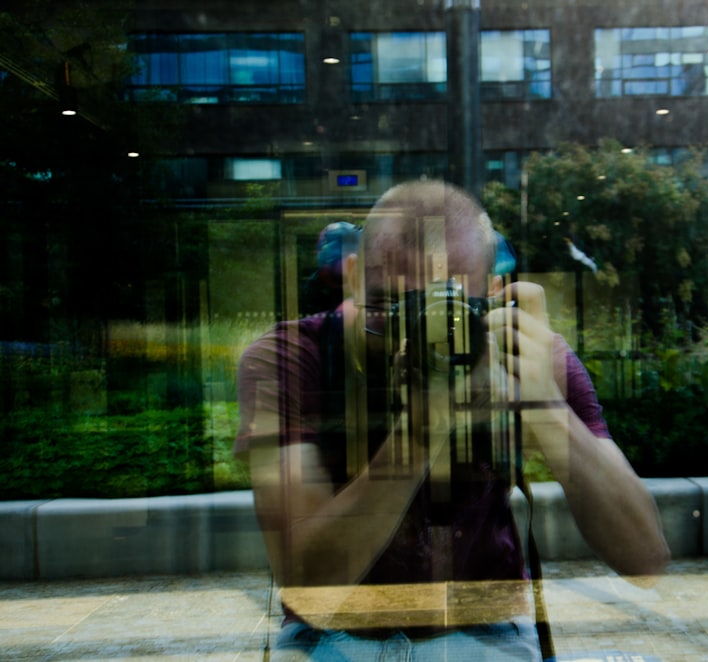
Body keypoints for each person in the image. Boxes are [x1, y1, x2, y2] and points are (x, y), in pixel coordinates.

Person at [235, 180, 669, 661]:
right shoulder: (292, 358)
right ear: (353, 276)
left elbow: (644, 558)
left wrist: (545, 406)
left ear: (493, 294)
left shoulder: (520, 355)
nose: (413, 334)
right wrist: (421, 433)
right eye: (389, 308)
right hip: (332, 633)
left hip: (484, 628)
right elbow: (307, 585)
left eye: (447, 310)